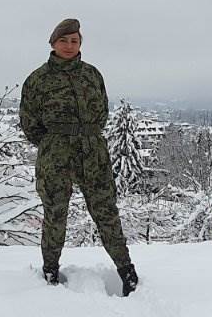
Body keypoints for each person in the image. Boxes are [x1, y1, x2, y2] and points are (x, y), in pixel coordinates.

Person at [19, 18, 140, 296]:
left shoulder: (92, 75)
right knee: (55, 212)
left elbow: (102, 113)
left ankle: (126, 271)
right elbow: (29, 122)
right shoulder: (38, 79)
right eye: (64, 40)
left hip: (93, 152)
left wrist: (86, 136)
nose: (70, 46)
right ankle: (50, 270)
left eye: (75, 41)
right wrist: (53, 142)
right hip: (56, 154)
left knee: (106, 211)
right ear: (53, 44)